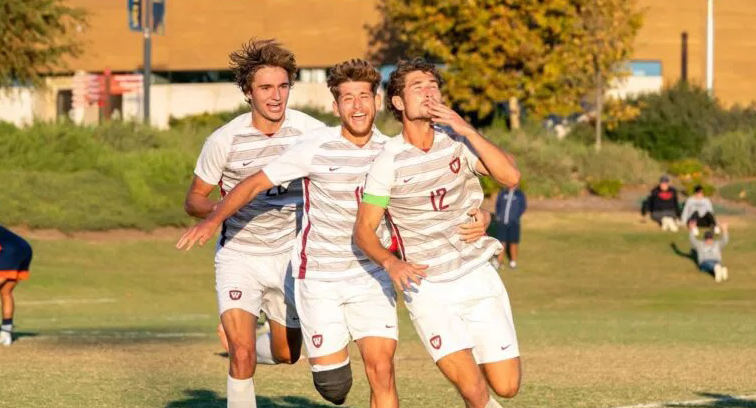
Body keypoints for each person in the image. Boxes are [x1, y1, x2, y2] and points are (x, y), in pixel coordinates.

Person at [178, 59, 490, 408]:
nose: (357, 106)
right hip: (320, 278)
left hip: (371, 276)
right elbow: (253, 184)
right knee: (333, 387)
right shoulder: (313, 146)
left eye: (364, 97)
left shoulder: (392, 151)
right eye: (347, 98)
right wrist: (212, 219)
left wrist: (486, 216)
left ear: (376, 101)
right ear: (335, 106)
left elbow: (443, 198)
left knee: (382, 370)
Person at [354, 58, 522, 408]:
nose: (429, 91)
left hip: (477, 274)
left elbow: (510, 177)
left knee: (506, 387)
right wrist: (390, 263)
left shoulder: (457, 141)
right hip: (428, 287)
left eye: (433, 85)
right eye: (418, 87)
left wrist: (468, 130)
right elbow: (364, 230)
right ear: (398, 103)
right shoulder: (388, 161)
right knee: (474, 391)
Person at [181, 39, 326, 408]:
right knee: (241, 355)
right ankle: (237, 338)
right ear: (248, 92)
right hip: (239, 256)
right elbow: (194, 199)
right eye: (265, 88)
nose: (276, 96)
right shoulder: (224, 140)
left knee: (287, 353)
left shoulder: (311, 132)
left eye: (283, 86)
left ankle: (257, 334)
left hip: (291, 258)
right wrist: (219, 212)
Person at [494, 187, 526, 269]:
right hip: (502, 222)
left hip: (514, 223)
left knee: (513, 242)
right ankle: (499, 262)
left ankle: (513, 262)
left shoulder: (519, 194)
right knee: (501, 242)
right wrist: (499, 216)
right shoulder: (503, 193)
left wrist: (515, 217)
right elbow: (498, 205)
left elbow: (523, 207)